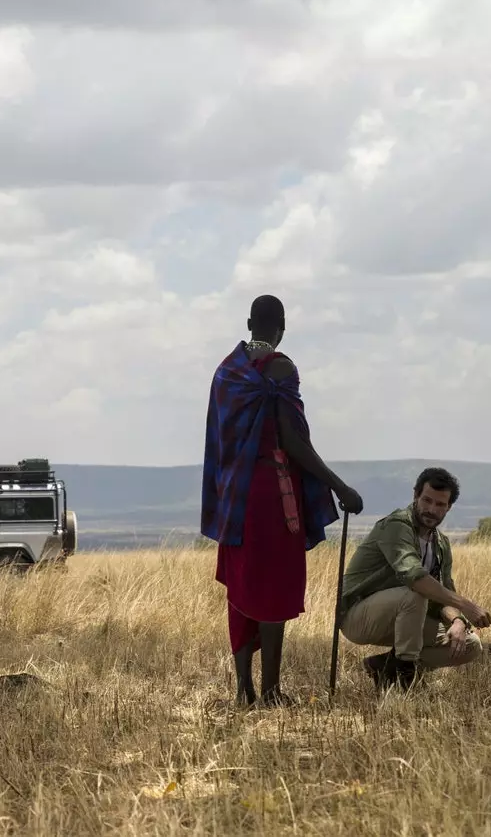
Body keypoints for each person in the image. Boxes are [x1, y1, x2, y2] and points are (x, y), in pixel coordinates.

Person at [202, 294, 365, 708]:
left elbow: (220, 443)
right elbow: (293, 441)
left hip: (235, 499)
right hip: (274, 496)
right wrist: (339, 486)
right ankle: (272, 691)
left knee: (242, 587)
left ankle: (243, 689)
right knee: (274, 585)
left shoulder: (225, 372)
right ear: (282, 327)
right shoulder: (280, 367)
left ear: (248, 322)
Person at [337, 467, 491, 690]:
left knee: (470, 644)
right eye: (427, 500)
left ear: (449, 507)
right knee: (414, 594)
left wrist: (458, 620)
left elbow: (443, 597)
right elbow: (414, 578)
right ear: (415, 495)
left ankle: (386, 667)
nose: (431, 509)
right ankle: (403, 682)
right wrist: (466, 605)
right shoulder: (396, 526)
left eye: (440, 505)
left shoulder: (441, 543)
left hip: (406, 617)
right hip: (358, 617)